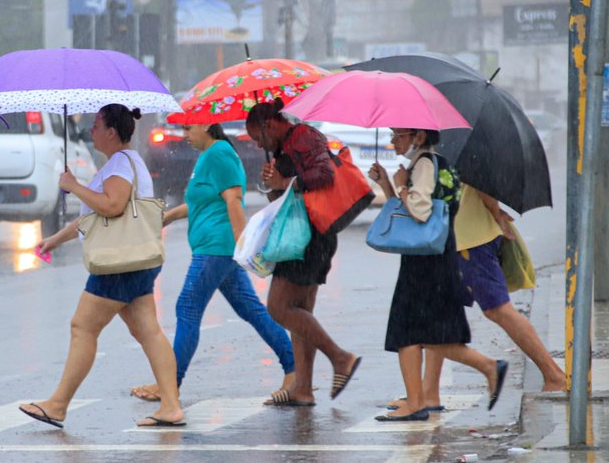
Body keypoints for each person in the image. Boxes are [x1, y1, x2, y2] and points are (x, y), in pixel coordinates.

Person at [19, 104, 184, 428]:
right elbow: (93, 217)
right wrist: (55, 239)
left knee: (83, 326)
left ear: (111, 132)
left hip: (117, 265)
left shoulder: (121, 164)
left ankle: (58, 404)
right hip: (134, 260)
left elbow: (112, 206)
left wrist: (74, 186)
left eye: (96, 125)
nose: (91, 130)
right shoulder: (124, 163)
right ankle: (171, 406)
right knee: (148, 331)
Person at [130, 123, 296, 402]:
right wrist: (169, 217)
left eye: (188, 128)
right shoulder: (209, 155)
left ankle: (169, 385)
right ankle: (295, 370)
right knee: (251, 310)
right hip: (216, 247)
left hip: (216, 248)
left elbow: (233, 200)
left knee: (187, 308)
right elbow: (205, 201)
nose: (184, 135)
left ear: (207, 126)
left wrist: (243, 244)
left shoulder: (219, 153)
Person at [384, 183, 565, 412]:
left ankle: (554, 375)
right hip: (454, 239)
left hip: (471, 239)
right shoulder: (445, 150)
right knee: (436, 317)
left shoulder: (454, 151)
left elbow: (482, 183)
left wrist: (495, 213)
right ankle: (429, 394)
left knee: (498, 309)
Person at [368, 128, 508, 421]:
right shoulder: (437, 163)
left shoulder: (425, 164)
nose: (393, 140)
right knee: (425, 332)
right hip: (435, 254)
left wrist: (401, 186)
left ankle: (422, 400)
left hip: (425, 260)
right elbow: (417, 212)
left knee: (406, 329)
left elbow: (418, 211)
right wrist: (388, 186)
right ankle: (482, 370)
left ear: (418, 136)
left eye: (399, 135)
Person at [245, 98, 361, 407]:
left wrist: (286, 181)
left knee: (279, 308)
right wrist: (273, 183)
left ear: (270, 125)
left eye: (258, 137)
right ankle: (303, 388)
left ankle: (340, 358)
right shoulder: (285, 147)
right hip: (307, 235)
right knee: (301, 314)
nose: (258, 145)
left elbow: (324, 175)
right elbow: (282, 195)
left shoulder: (303, 137)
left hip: (306, 239)